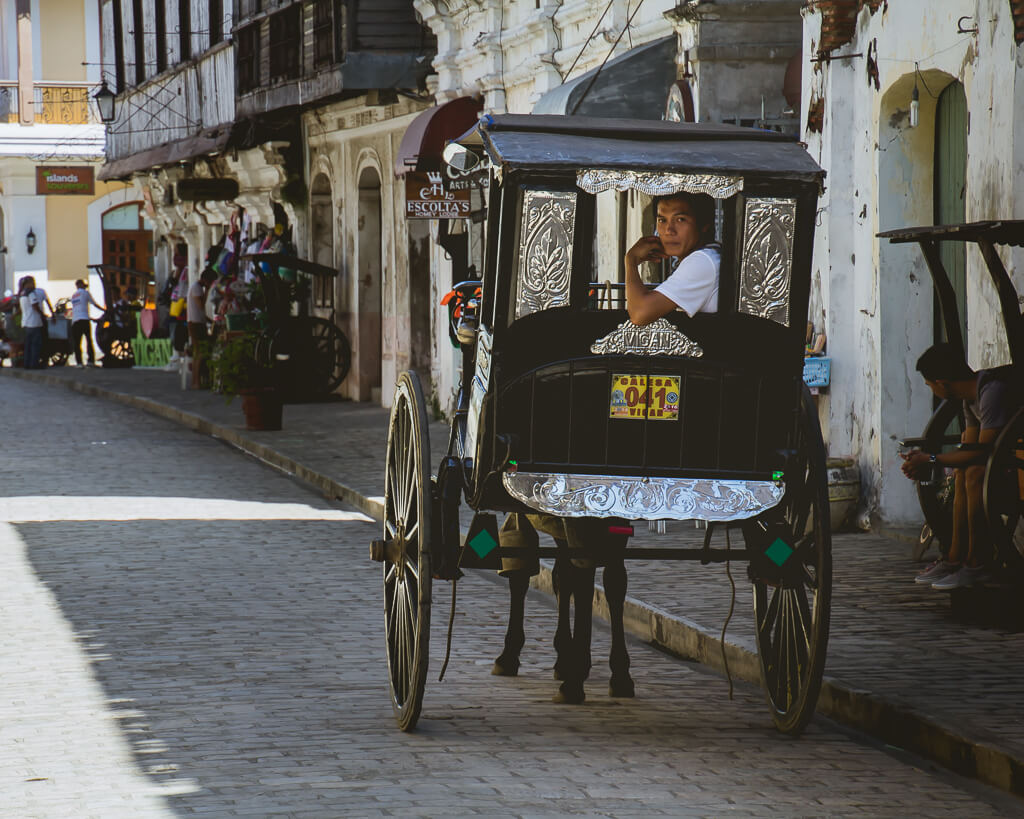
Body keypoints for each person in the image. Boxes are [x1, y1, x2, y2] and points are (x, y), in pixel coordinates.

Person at [902, 343, 1018, 589]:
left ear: (942, 383)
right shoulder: (970, 400)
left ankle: (977, 562)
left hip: (1011, 471)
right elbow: (969, 448)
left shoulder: (991, 392)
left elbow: (980, 452)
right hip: (998, 466)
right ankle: (956, 557)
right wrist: (926, 459)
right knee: (964, 472)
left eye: (930, 384)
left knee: (974, 473)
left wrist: (931, 460)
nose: (932, 390)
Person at [624, 192, 720, 326]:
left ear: (704, 224)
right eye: (662, 220)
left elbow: (640, 314)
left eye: (680, 219)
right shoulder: (709, 255)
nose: (669, 230)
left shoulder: (703, 260)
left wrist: (631, 261)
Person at [188, 268, 217, 388]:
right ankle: (196, 382)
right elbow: (200, 305)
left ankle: (197, 382)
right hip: (196, 324)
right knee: (200, 353)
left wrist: (210, 320)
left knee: (198, 353)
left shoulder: (197, 287)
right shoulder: (196, 288)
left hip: (198, 322)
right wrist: (207, 291)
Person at [70, 278, 103, 367]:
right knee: (88, 340)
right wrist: (103, 310)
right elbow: (94, 303)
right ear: (80, 285)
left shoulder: (73, 295)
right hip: (84, 319)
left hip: (75, 320)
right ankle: (91, 361)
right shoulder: (85, 293)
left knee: (77, 343)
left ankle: (79, 362)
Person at [18, 275, 49, 369]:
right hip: (34, 322)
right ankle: (34, 364)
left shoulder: (22, 294)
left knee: (28, 345)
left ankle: (27, 364)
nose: (34, 284)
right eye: (32, 282)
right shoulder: (31, 293)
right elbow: (35, 305)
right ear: (28, 283)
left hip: (26, 323)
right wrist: (42, 314)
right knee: (36, 345)